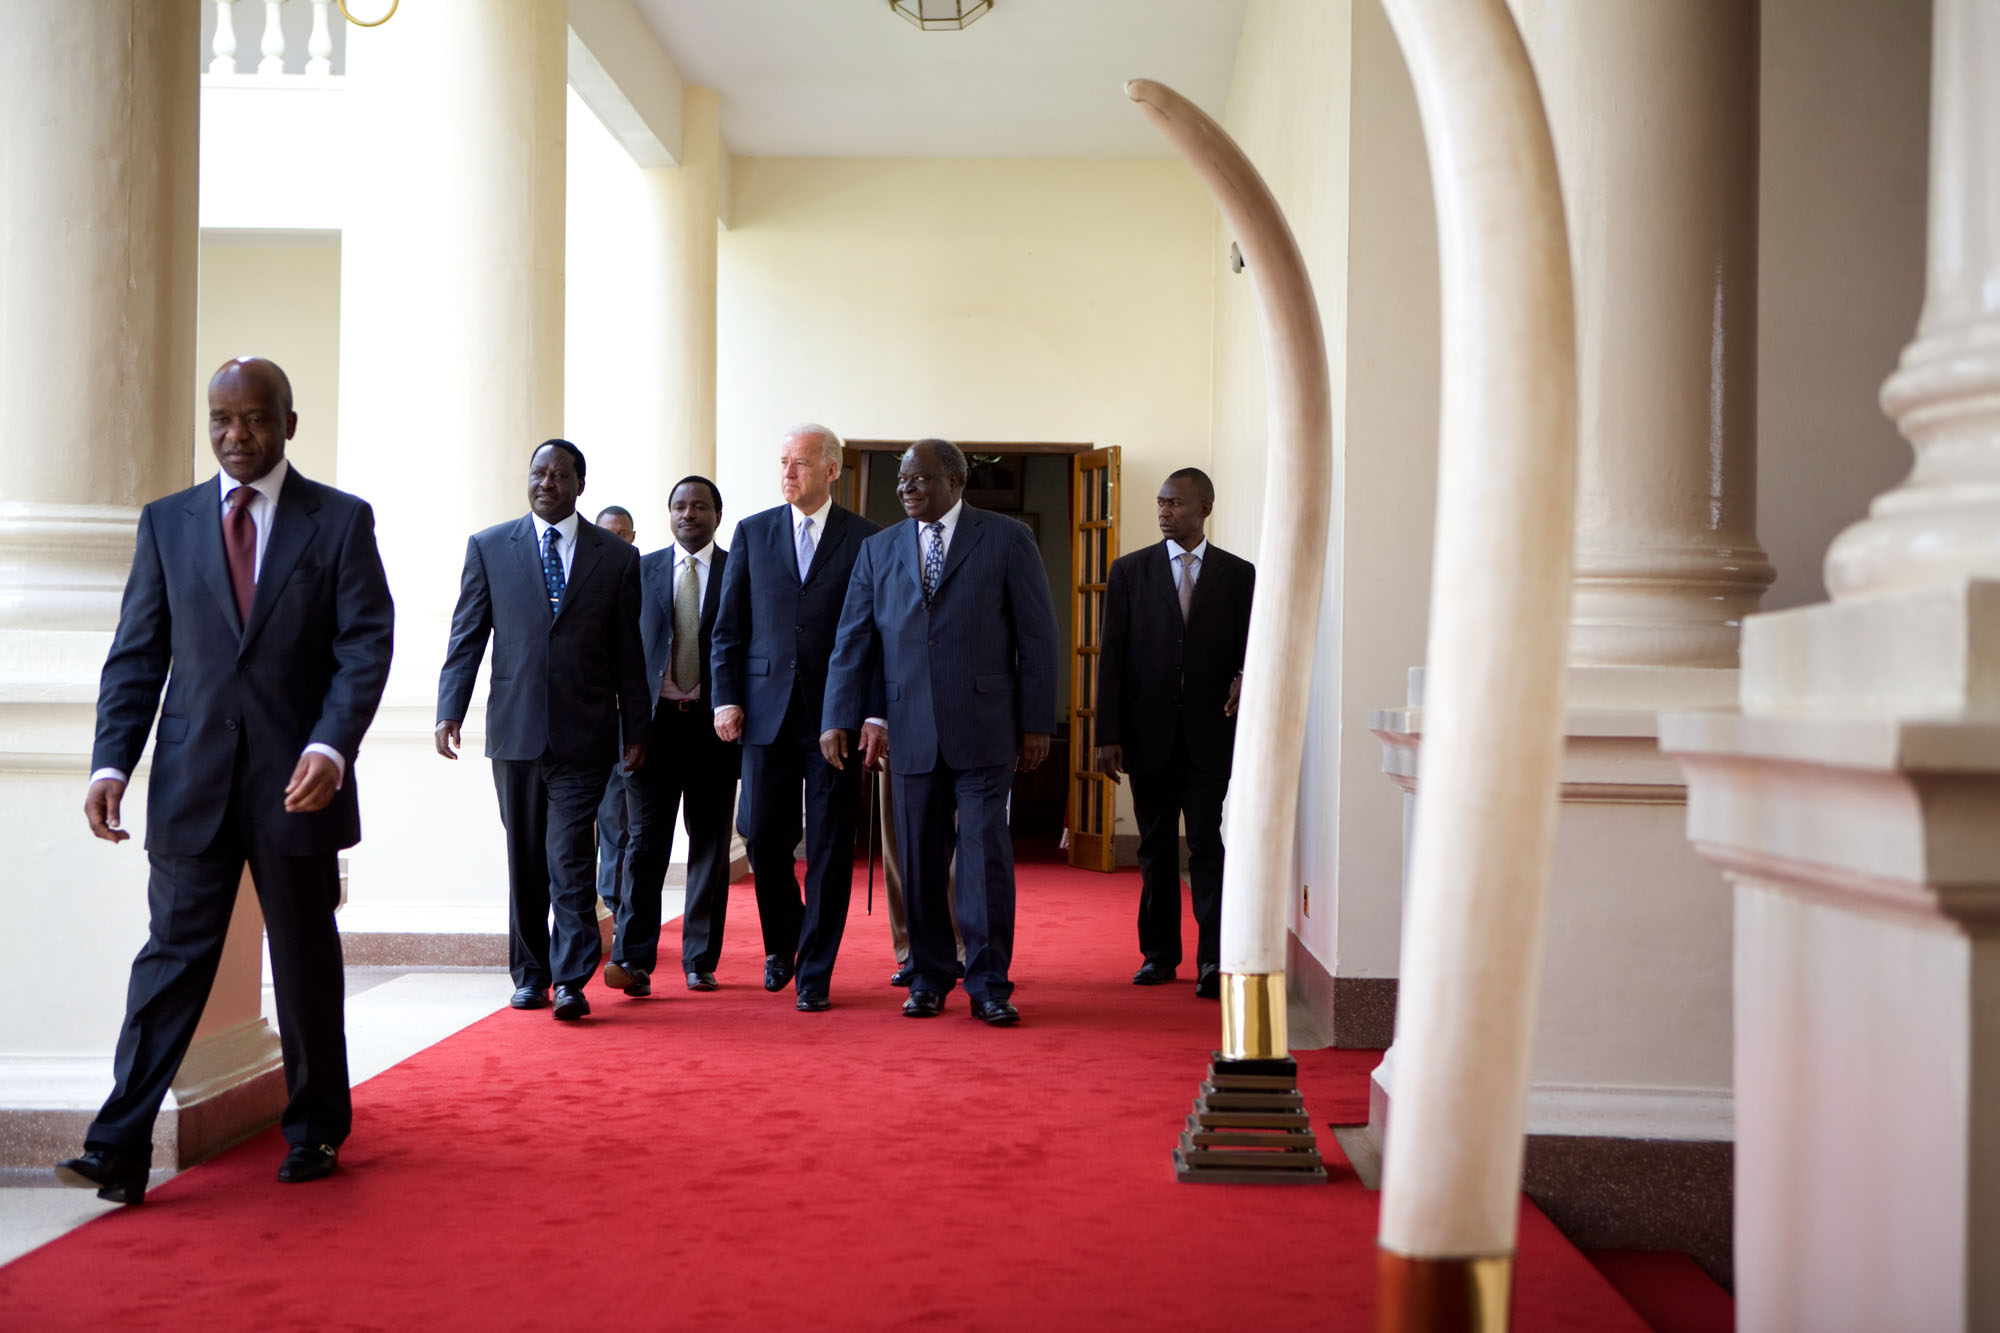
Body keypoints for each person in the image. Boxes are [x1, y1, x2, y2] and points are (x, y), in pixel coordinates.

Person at [57, 357, 394, 1203]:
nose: (237, 436)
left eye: (254, 419)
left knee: (305, 959)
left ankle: (316, 1127)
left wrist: (331, 745)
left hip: (298, 782)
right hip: (191, 783)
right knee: (168, 962)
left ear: (289, 421)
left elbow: (364, 646)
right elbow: (137, 653)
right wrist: (111, 760)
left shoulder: (341, 521)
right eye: (221, 420)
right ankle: (118, 1144)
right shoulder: (166, 523)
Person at [821, 438, 1059, 1026]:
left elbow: (1037, 637)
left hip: (985, 730)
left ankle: (987, 983)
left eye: (920, 479)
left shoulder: (1006, 539)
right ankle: (928, 976)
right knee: (921, 861)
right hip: (909, 731)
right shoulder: (879, 550)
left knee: (983, 860)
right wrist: (840, 716)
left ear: (955, 482)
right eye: (902, 480)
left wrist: (1035, 722)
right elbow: (854, 640)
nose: (906, 488)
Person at [435, 440, 649, 1023]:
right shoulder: (489, 547)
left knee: (570, 857)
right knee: (525, 858)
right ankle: (530, 974)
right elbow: (468, 635)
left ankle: (571, 978)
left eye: (558, 474)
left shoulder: (615, 558)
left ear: (580, 484)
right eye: (537, 473)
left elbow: (629, 650)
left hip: (585, 734)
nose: (545, 482)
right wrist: (448, 708)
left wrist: (637, 724)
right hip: (516, 731)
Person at [710, 424, 880, 1012]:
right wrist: (725, 698)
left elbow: (878, 637)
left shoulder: (866, 539)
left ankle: (815, 970)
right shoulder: (753, 533)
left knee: (832, 846)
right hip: (764, 714)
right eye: (782, 462)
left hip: (836, 718)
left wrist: (871, 714)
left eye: (800, 464)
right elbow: (729, 628)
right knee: (761, 838)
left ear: (831, 470)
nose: (787, 473)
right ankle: (783, 942)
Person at [1095, 468, 1254, 1000]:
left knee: (1207, 844)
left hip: (1212, 734)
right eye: (1161, 504)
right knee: (1156, 847)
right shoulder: (1130, 572)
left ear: (1205, 507)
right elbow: (1110, 658)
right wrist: (1107, 733)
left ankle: (1213, 959)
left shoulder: (1238, 575)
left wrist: (1243, 677)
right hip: (1148, 736)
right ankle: (1159, 955)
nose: (1164, 512)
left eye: (1176, 505)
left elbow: (1251, 648)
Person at [605, 477, 739, 998]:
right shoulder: (639, 570)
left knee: (709, 844)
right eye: (679, 506)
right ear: (668, 515)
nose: (689, 514)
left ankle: (700, 959)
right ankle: (632, 958)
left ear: (716, 515)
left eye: (699, 506)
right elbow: (621, 648)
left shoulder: (736, 570)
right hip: (651, 730)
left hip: (713, 729)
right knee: (644, 845)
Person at [592, 505, 638, 918]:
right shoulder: (585, 579)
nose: (617, 540)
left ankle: (614, 902)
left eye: (624, 534)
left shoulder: (641, 577)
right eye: (609, 533)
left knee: (618, 817)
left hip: (627, 720)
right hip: (587, 719)